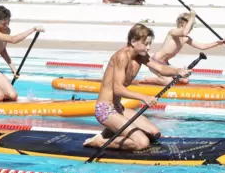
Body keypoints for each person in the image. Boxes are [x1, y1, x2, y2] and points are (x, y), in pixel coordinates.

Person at [82, 23, 192, 151]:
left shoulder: (141, 56)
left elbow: (160, 68)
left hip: (119, 108)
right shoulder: (122, 56)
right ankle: (100, 141)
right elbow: (118, 88)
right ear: (134, 41)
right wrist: (143, 97)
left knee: (155, 133)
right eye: (146, 44)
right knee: (142, 143)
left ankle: (111, 131)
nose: (149, 47)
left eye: (150, 44)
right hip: (106, 110)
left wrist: (178, 71)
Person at [141, 10, 225, 86]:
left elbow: (202, 47)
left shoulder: (186, 39)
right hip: (156, 62)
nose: (191, 28)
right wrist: (192, 17)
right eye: (191, 25)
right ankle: (147, 79)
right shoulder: (172, 32)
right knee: (168, 82)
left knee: (185, 79)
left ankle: (165, 78)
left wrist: (217, 43)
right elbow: (184, 32)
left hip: (165, 63)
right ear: (184, 24)